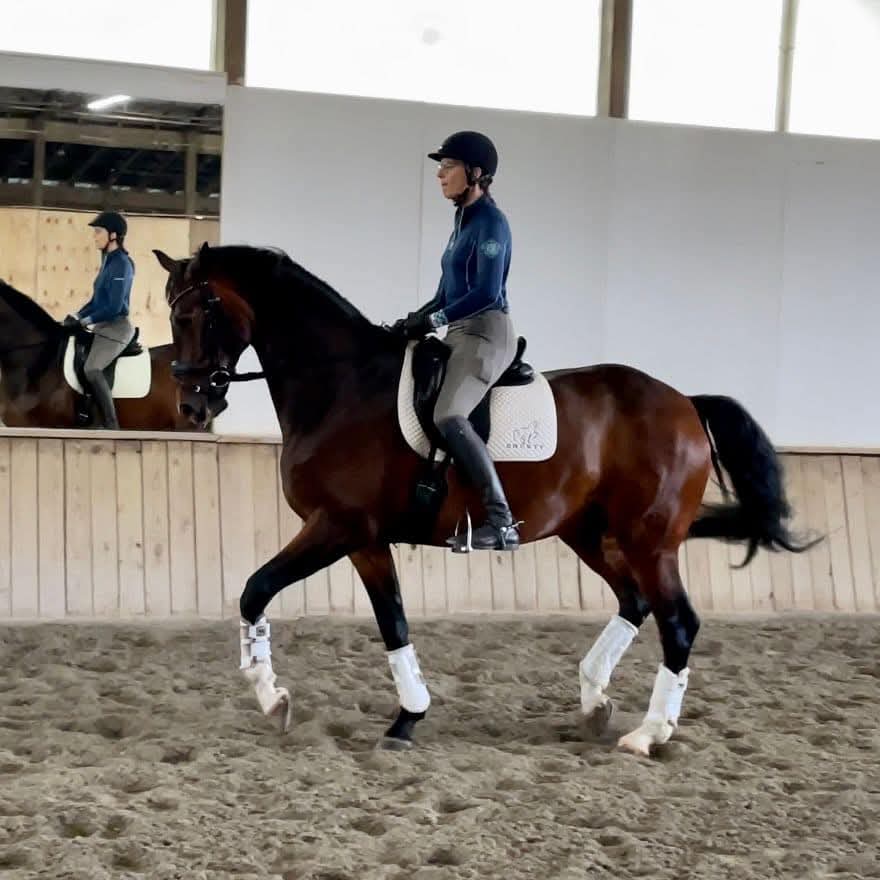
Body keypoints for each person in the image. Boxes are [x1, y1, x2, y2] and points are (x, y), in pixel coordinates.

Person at [394, 131, 520, 552]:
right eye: (440, 167)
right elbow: (446, 293)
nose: (440, 174)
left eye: (448, 167)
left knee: (449, 416)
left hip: (486, 331)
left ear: (476, 173)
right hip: (458, 329)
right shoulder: (461, 221)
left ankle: (501, 522)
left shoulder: (491, 223)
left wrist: (437, 318)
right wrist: (415, 320)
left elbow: (484, 292)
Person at [63, 211, 135, 430]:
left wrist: (86, 321)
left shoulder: (122, 263)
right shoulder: (107, 262)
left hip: (117, 328)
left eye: (98, 232)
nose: (94, 236)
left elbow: (113, 307)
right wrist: (76, 315)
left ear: (113, 235)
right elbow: (96, 301)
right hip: (102, 326)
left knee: (92, 369)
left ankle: (111, 425)